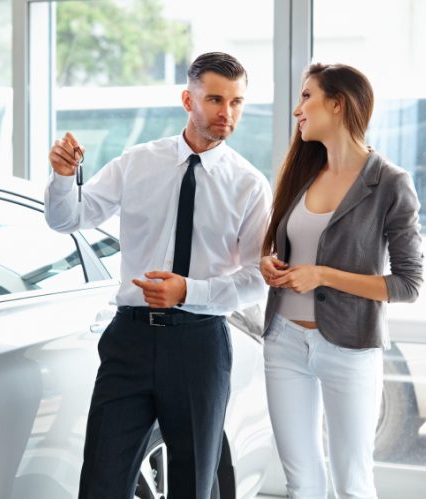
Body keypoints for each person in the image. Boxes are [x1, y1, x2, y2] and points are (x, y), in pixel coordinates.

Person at [45, 52, 271, 499]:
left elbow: (256, 278)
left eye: (237, 102)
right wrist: (63, 178)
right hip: (129, 341)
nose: (227, 113)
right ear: (188, 100)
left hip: (199, 345)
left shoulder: (249, 185)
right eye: (215, 99)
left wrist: (190, 290)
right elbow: (67, 218)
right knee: (101, 483)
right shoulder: (138, 162)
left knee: (192, 486)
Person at [260, 63, 423, 499]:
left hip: (349, 348)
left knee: (352, 484)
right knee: (302, 483)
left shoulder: (390, 183)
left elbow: (408, 284)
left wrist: (323, 276)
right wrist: (270, 266)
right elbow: (288, 250)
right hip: (285, 342)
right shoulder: (302, 173)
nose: (298, 109)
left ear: (338, 103)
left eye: (307, 97)